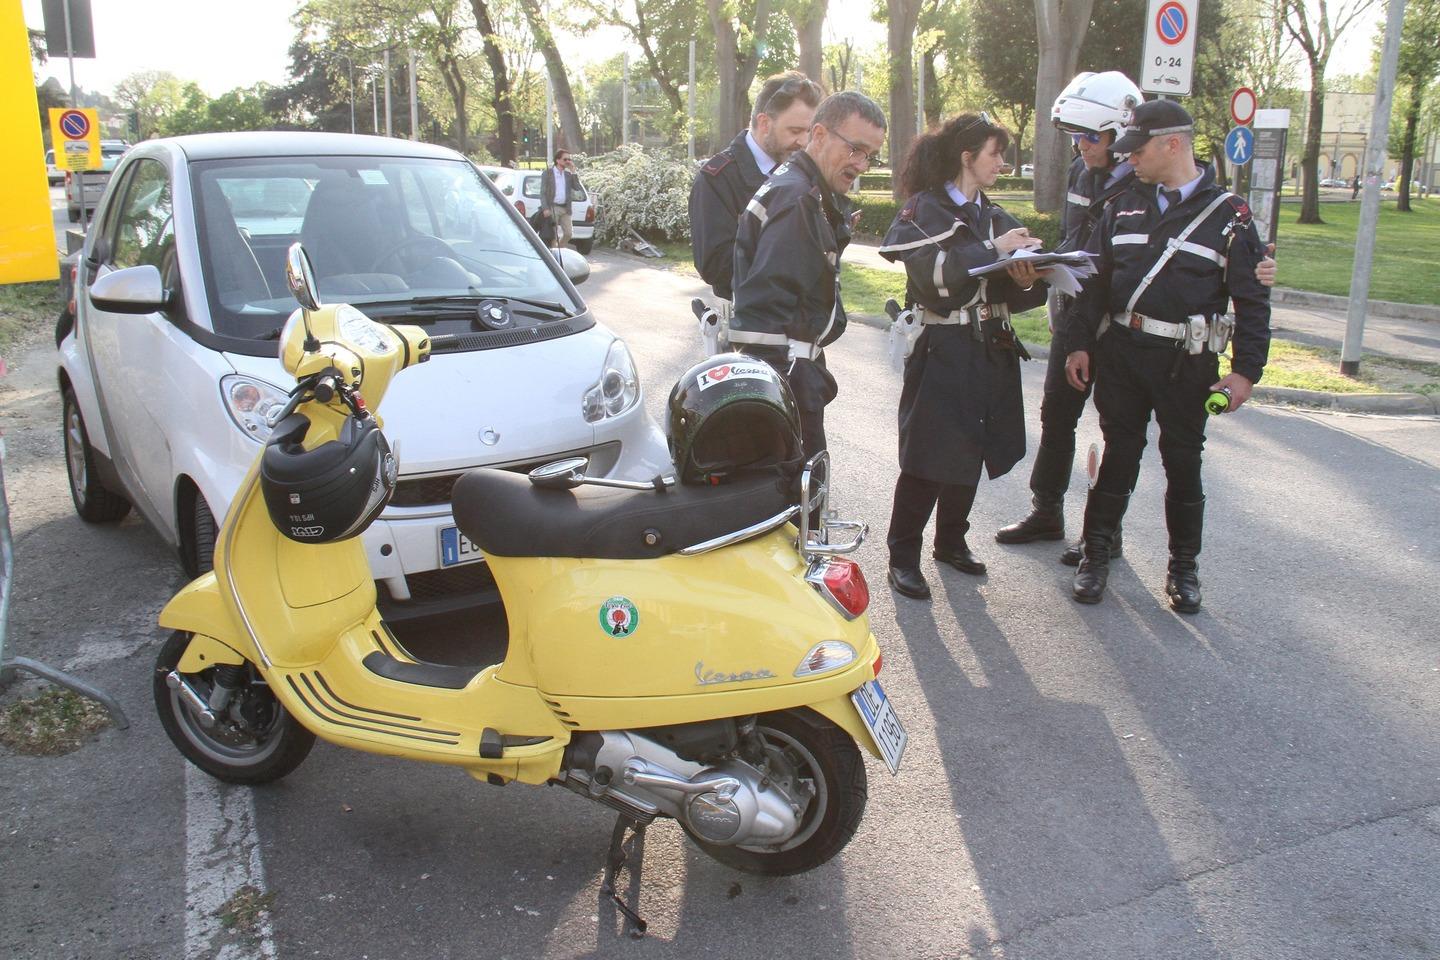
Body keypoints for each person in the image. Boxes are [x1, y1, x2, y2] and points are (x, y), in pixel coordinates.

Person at [998, 74, 1278, 566]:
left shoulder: (1171, 191)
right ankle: (1053, 515)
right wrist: (1045, 266)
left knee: (1145, 446)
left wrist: (1247, 363)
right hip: (1082, 316)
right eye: (1076, 137)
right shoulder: (1087, 178)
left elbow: (1237, 282)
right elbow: (1090, 255)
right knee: (1062, 416)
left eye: (1091, 137)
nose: (1083, 147)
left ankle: (1112, 541)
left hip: (1150, 342)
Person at [1062, 99, 1272, 614]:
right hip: (1124, 354)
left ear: (1172, 144)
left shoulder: (1230, 215)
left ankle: (1183, 569)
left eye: (1139, 149)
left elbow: (1251, 299)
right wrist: (1078, 342)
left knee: (1183, 462)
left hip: (1188, 362)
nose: (1130, 158)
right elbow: (1092, 284)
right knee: (1119, 455)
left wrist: (1245, 371)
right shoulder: (1121, 205)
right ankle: (1095, 558)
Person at [878, 112, 1050, 600]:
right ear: (967, 157)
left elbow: (1013, 292)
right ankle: (902, 556)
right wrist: (993, 250)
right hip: (942, 346)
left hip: (990, 346)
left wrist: (1027, 277)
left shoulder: (994, 215)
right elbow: (933, 278)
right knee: (927, 455)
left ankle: (951, 540)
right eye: (996, 154)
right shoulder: (922, 211)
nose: (1003, 163)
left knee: (973, 447)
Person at [729, 90, 886, 461]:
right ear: (819, 135)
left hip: (788, 377)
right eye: (855, 149)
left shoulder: (799, 188)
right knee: (798, 503)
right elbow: (763, 317)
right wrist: (778, 399)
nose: (861, 164)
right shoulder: (799, 200)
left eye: (870, 155)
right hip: (787, 383)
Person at [690, 71, 827, 302]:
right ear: (764, 123)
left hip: (804, 322)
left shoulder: (808, 172)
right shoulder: (716, 179)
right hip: (746, 322)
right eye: (795, 131)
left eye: (808, 132)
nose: (804, 141)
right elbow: (714, 266)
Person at [540, 149, 581, 249]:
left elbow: (577, 187)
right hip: (553, 207)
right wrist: (545, 208)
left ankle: (559, 249)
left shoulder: (568, 175)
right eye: (565, 159)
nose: (568, 161)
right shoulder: (548, 174)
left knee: (568, 233)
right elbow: (542, 192)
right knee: (553, 235)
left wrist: (573, 172)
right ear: (557, 160)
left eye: (569, 159)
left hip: (565, 208)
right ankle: (553, 255)